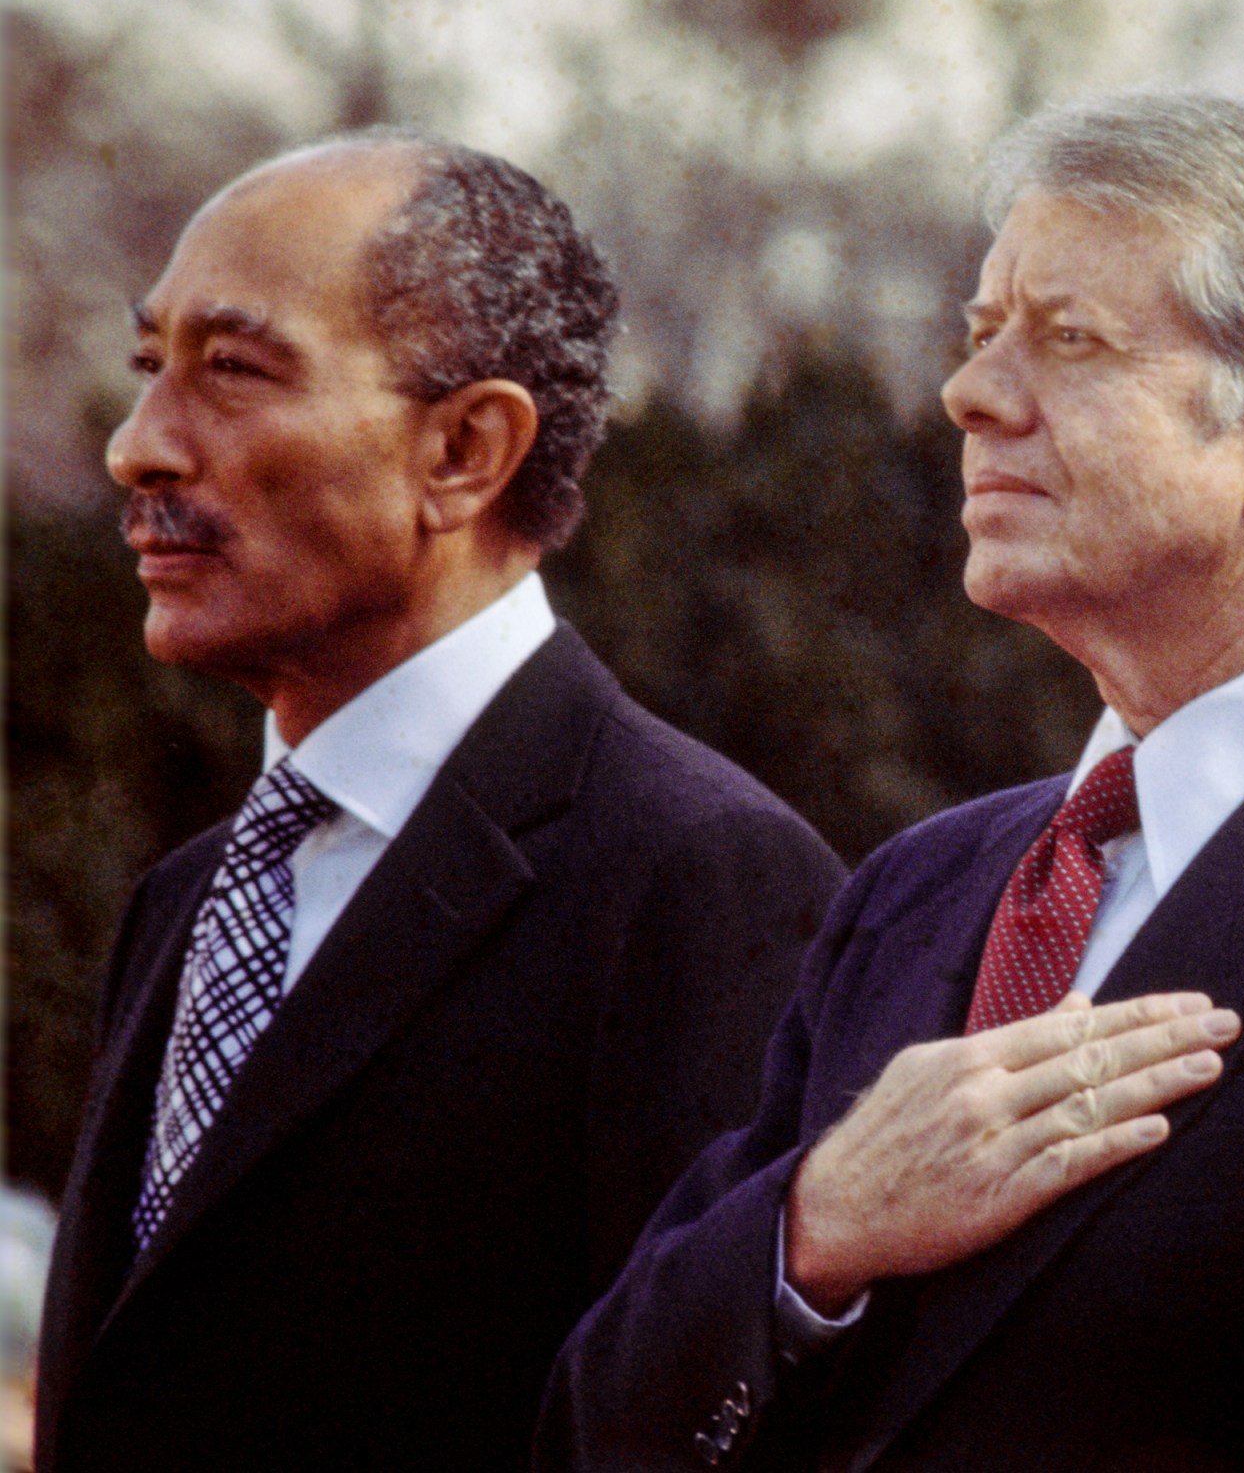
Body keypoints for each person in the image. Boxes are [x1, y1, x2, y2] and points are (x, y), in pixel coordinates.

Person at [541, 89, 1244, 1472]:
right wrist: (815, 1234)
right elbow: (593, 1436)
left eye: (1069, 341)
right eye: (982, 338)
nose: (972, 396)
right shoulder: (917, 891)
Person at [35, 133, 847, 1473]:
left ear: (465, 451)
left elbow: (705, 1417)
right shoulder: (187, 901)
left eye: (231, 372)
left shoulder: (697, 878)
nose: (138, 448)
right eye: (148, 368)